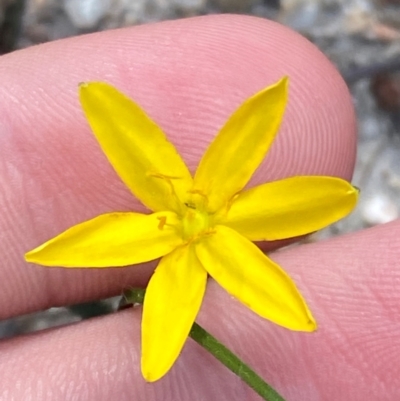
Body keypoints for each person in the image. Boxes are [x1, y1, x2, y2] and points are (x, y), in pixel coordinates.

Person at [0, 14, 397, 401]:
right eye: (188, 213)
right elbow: (109, 115)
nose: (192, 215)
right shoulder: (163, 213)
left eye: (194, 213)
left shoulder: (233, 220)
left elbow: (330, 199)